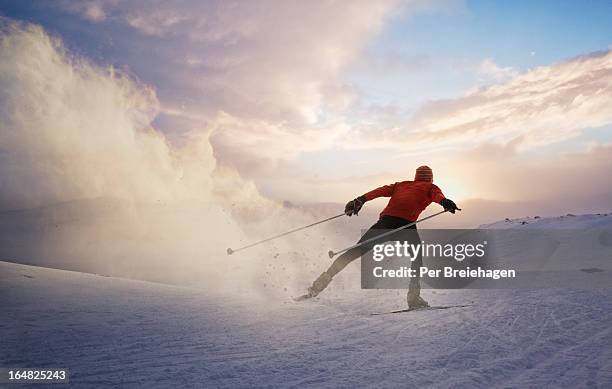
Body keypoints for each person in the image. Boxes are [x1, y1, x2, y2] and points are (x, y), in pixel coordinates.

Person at [297, 166, 459, 308]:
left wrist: (359, 200)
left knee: (355, 251)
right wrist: (445, 202)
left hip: (385, 222)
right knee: (417, 258)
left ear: (415, 176)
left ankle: (317, 286)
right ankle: (413, 298)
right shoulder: (431, 187)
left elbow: (379, 191)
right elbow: (438, 196)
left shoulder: (401, 185)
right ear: (430, 178)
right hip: (406, 226)